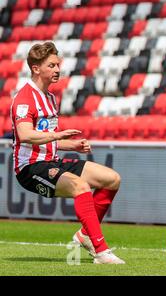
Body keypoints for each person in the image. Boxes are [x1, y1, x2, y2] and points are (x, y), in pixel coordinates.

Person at [10, 42, 125, 264]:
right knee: (79, 186)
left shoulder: (50, 98)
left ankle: (84, 235)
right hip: (30, 168)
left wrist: (72, 145)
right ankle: (101, 251)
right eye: (51, 65)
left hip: (51, 160)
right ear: (36, 68)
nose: (57, 70)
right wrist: (58, 136)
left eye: (58, 65)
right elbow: (25, 135)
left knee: (112, 179)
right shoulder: (24, 98)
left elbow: (46, 138)